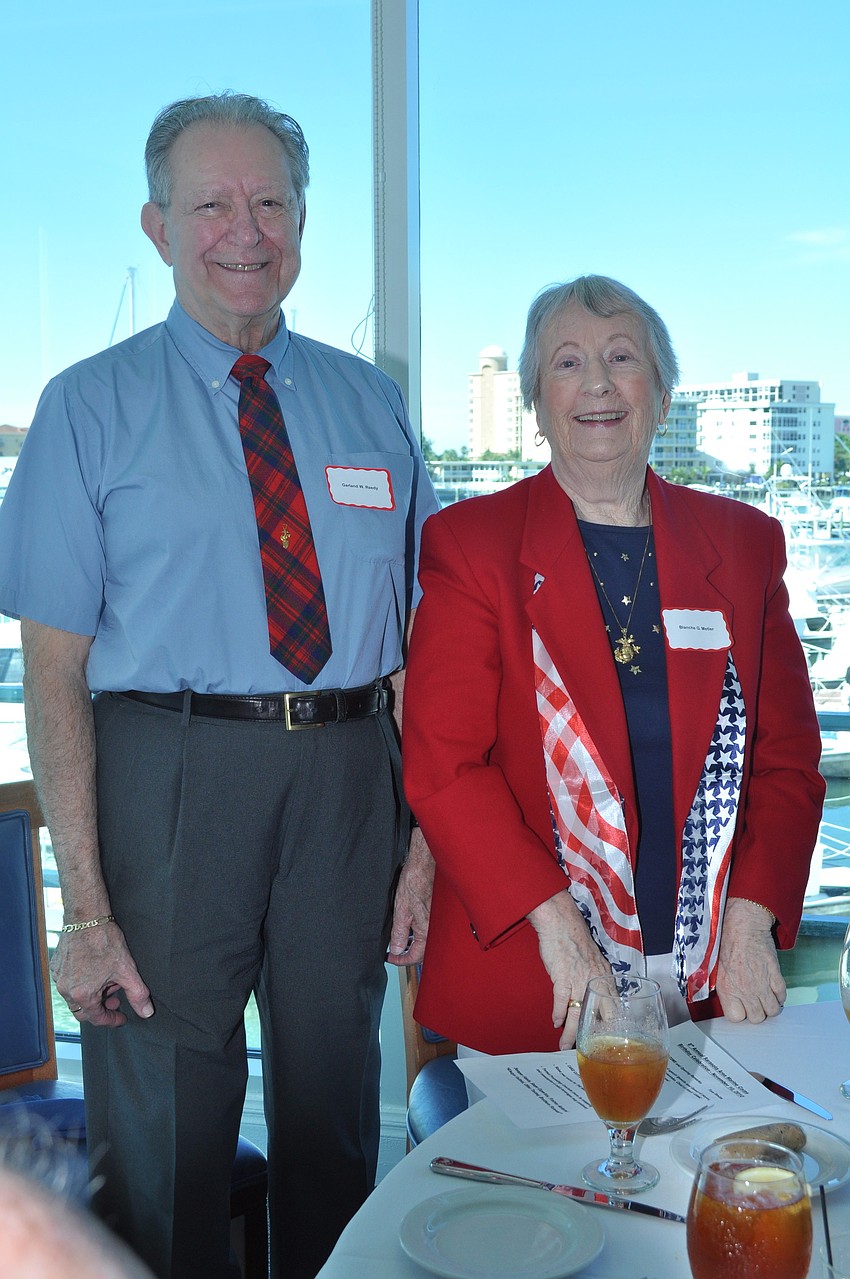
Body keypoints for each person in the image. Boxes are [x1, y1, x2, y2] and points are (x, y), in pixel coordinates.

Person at [0, 93, 438, 1279]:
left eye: (269, 202)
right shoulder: (86, 409)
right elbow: (55, 673)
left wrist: (422, 846)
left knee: (335, 1108)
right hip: (171, 770)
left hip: (352, 777)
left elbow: (412, 651)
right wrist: (82, 909)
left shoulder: (373, 405)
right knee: (166, 1130)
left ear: (302, 222)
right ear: (156, 225)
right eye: (210, 203)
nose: (243, 230)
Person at [402, 274, 825, 1059]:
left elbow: (789, 757)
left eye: (622, 356)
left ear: (661, 390)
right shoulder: (473, 547)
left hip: (712, 991)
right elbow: (444, 766)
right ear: (536, 400)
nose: (597, 382)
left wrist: (752, 913)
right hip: (542, 981)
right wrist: (558, 927)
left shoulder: (744, 545)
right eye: (566, 363)